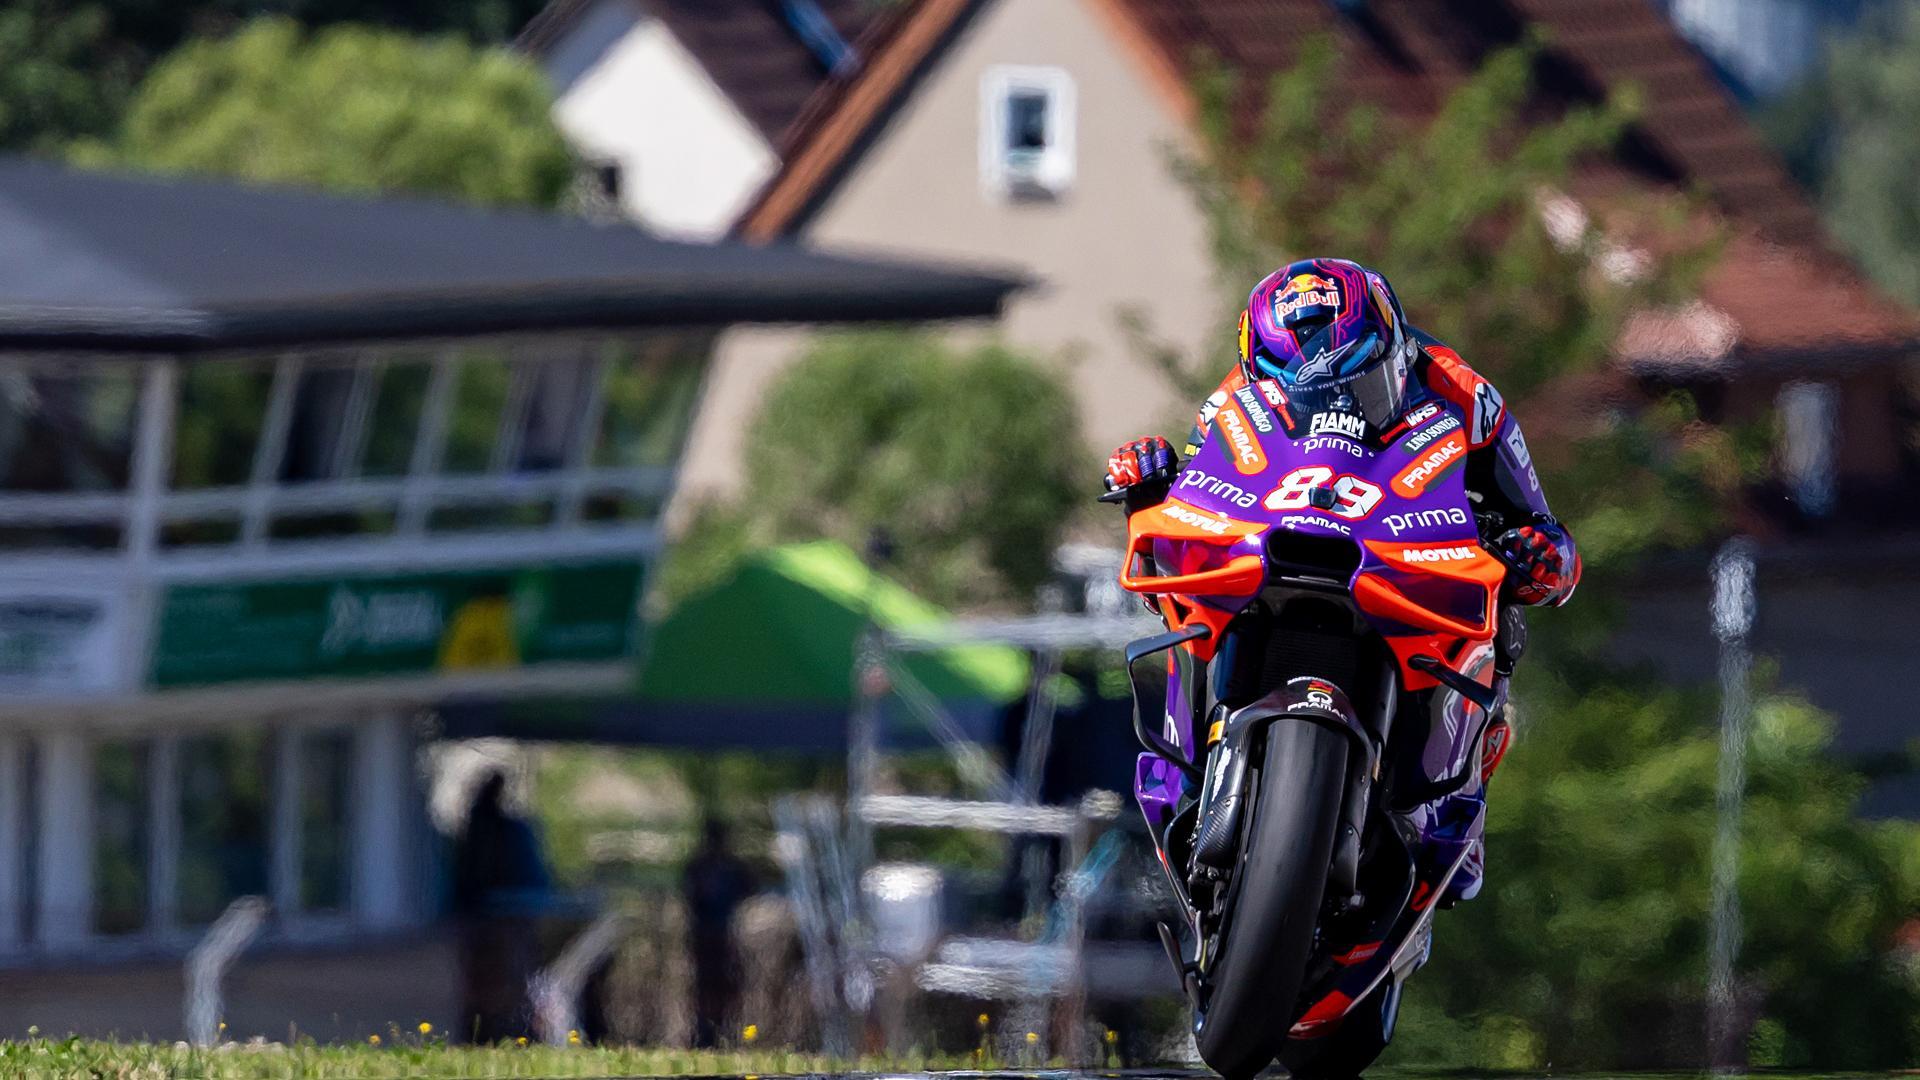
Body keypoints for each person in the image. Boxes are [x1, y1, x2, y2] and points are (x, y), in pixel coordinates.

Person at [1101, 257, 1580, 902]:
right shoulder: (1237, 394)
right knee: (1190, 594)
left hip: (1401, 553)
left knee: (1503, 618)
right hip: (1281, 539)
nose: (1332, 402)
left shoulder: (1465, 395)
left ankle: (1457, 806)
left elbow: (1548, 535)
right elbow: (1194, 489)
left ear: (1393, 348)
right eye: (1300, 388)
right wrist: (1147, 481)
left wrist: (1539, 554)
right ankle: (1194, 761)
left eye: (1356, 380)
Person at [453, 769, 553, 1043]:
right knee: (505, 979)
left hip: (492, 914)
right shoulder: (499, 830)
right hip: (502, 916)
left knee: (496, 981)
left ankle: (497, 1032)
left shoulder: (484, 828)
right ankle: (498, 1031)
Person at [682, 817, 755, 1048]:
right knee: (712, 987)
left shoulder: (704, 866)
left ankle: (717, 1031)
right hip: (712, 936)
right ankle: (711, 1032)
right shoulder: (708, 867)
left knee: (717, 987)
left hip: (715, 936)